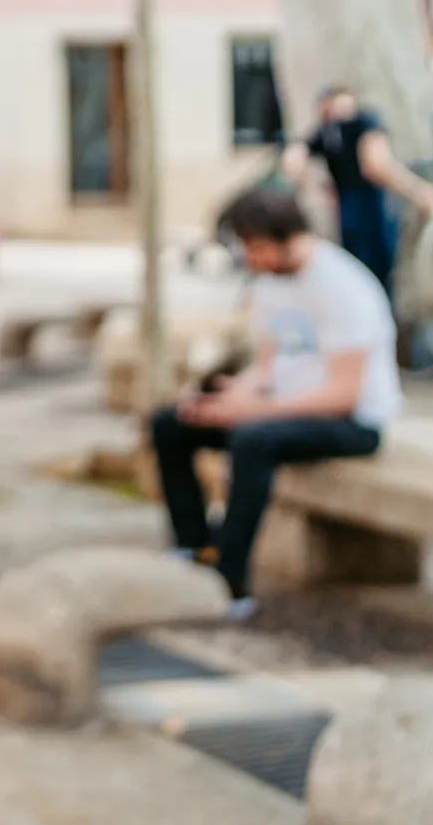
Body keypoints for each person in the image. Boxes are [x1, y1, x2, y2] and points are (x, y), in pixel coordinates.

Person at [151, 187, 400, 619]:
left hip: (354, 423)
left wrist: (250, 410)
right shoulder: (271, 283)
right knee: (172, 422)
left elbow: (344, 395)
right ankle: (194, 546)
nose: (250, 259)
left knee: (252, 440)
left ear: (283, 237)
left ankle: (231, 581)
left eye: (254, 247)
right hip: (283, 409)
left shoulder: (342, 287)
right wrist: (230, 395)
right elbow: (270, 368)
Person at [280, 83, 433, 292]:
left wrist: (320, 188)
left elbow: (293, 161)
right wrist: (420, 191)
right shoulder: (364, 121)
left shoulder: (326, 130)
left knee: (357, 271)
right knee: (379, 272)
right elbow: (376, 165)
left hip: (347, 208)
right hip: (370, 206)